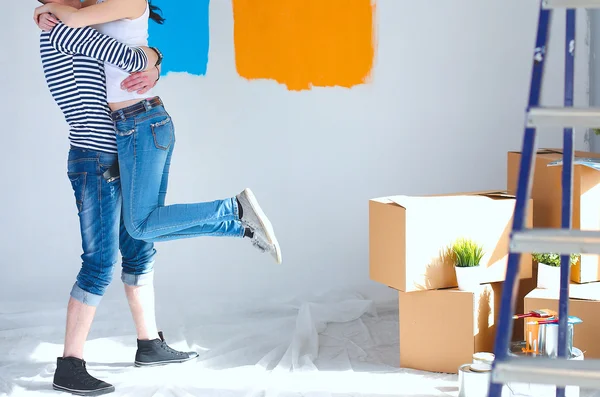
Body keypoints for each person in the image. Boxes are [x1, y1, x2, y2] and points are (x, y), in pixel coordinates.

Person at [33, 0, 283, 265]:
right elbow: (83, 23)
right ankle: (241, 227)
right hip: (138, 123)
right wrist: (155, 60)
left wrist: (45, 11)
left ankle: (235, 208)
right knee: (151, 224)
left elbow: (84, 27)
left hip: (141, 122)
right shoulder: (93, 10)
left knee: (142, 227)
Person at [34, 1, 199, 395]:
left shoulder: (66, 21)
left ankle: (149, 345)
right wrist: (154, 57)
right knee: (99, 262)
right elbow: (127, 57)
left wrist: (154, 59)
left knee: (138, 246)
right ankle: (69, 365)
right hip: (96, 159)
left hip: (119, 151)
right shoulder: (63, 28)